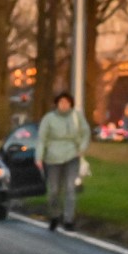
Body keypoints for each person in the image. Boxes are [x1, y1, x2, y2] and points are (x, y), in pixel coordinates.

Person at [35, 91, 90, 231]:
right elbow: (42, 139)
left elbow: (86, 132)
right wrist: (39, 157)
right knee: (53, 190)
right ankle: (55, 215)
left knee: (70, 189)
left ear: (70, 104)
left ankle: (68, 219)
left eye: (67, 103)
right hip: (53, 158)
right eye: (61, 102)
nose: (64, 105)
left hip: (72, 156)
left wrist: (81, 148)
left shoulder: (77, 117)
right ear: (57, 104)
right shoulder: (49, 119)